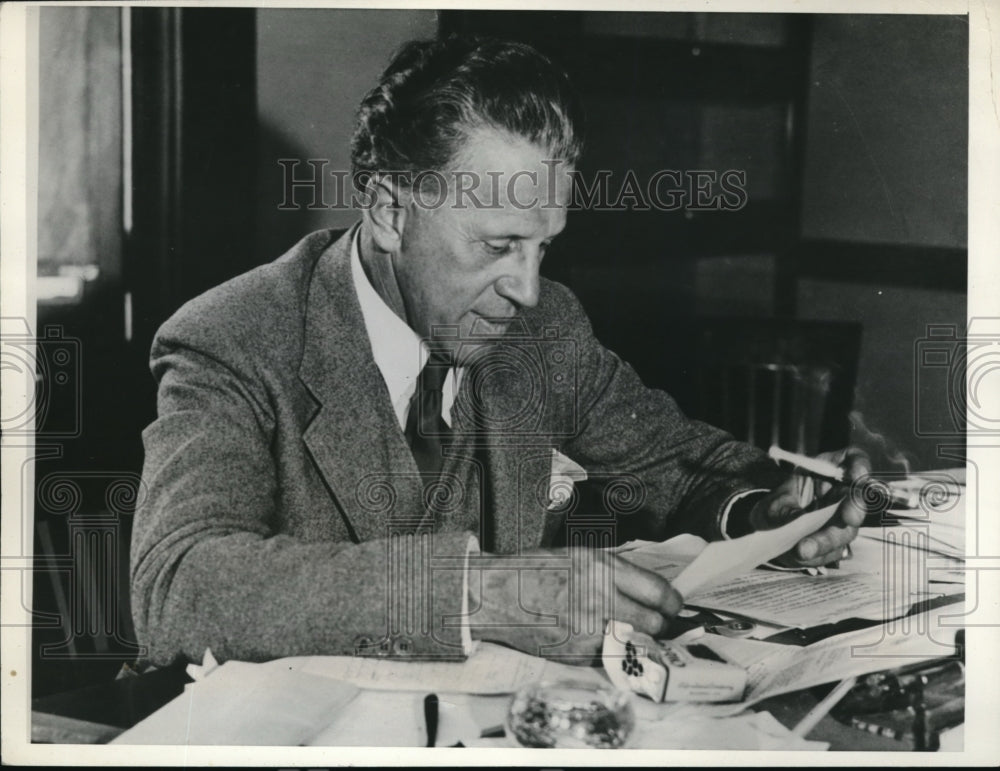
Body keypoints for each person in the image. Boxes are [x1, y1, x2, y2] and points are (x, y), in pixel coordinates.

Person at [131, 35, 868, 667]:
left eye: (544, 245)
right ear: (390, 209)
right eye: (498, 244)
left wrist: (763, 509)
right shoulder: (234, 337)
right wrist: (479, 593)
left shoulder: (544, 327)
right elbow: (176, 585)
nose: (526, 287)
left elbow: (671, 461)